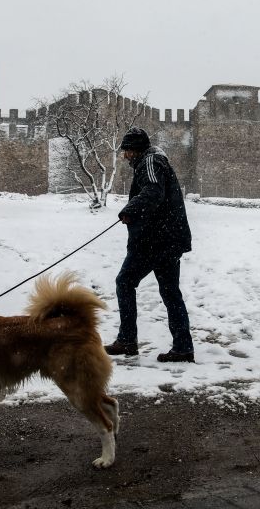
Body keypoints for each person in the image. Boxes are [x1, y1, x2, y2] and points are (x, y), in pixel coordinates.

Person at [105, 127, 195, 362]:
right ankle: (183, 347)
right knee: (170, 293)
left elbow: (153, 192)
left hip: (155, 240)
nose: (125, 156)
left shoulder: (150, 163)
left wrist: (129, 210)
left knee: (125, 282)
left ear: (135, 150)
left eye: (127, 151)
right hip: (167, 240)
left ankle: (127, 340)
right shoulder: (155, 161)